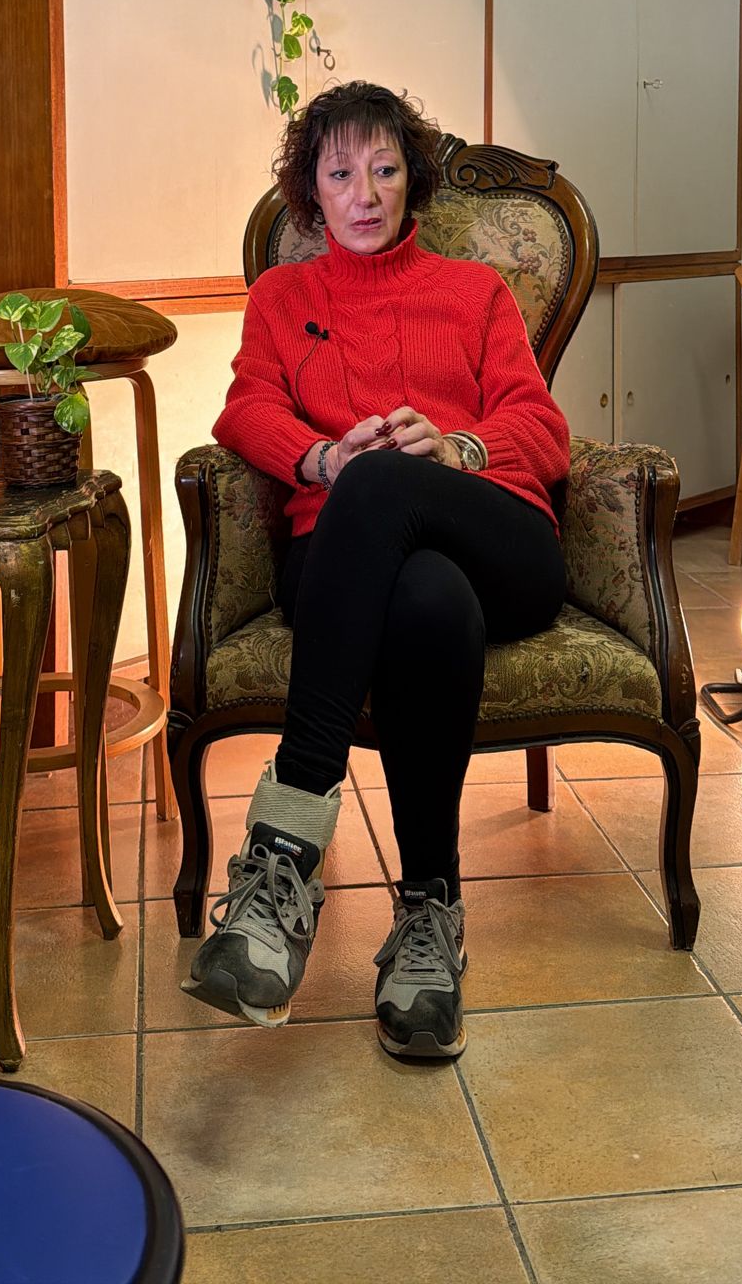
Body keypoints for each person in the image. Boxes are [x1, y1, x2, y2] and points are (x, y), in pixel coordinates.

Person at [183, 81, 571, 1061]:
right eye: (342, 172)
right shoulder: (284, 298)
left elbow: (543, 429)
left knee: (390, 483)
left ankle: (283, 851)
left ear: (412, 182)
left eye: (386, 169)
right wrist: (320, 458)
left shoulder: (475, 294)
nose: (365, 193)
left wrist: (457, 450)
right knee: (425, 599)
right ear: (311, 192)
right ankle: (430, 917)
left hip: (500, 543)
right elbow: (245, 411)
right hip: (353, 567)